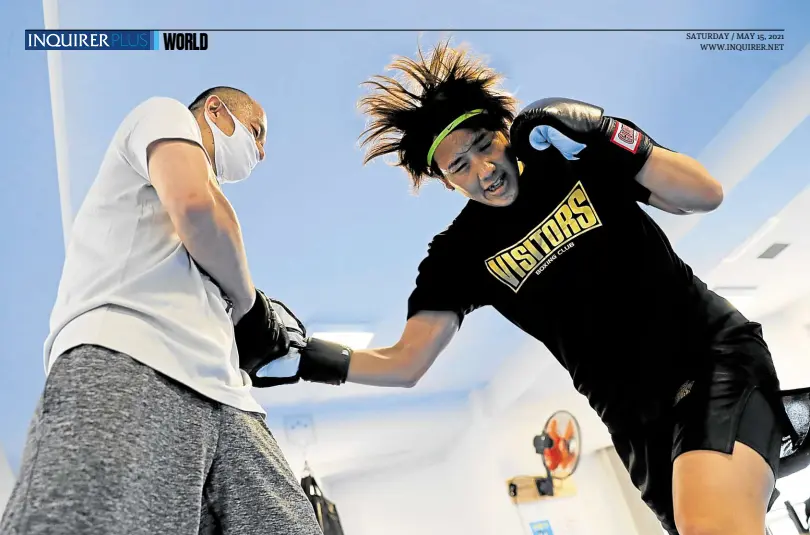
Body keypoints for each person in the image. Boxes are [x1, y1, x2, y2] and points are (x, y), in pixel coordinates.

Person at [258, 41, 801, 535]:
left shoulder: (569, 158)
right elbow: (406, 361)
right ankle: (782, 432)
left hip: (707, 358)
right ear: (446, 181)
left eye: (484, 146)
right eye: (460, 166)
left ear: (504, 129)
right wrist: (309, 359)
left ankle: (772, 427)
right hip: (634, 423)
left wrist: (606, 132)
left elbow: (704, 195)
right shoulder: (457, 254)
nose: (484, 171)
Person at [0, 87, 324, 535]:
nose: (262, 151)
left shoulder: (210, 254)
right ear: (215, 110)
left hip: (230, 399)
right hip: (129, 356)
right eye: (257, 132)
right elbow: (196, 209)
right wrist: (248, 305)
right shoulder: (164, 114)